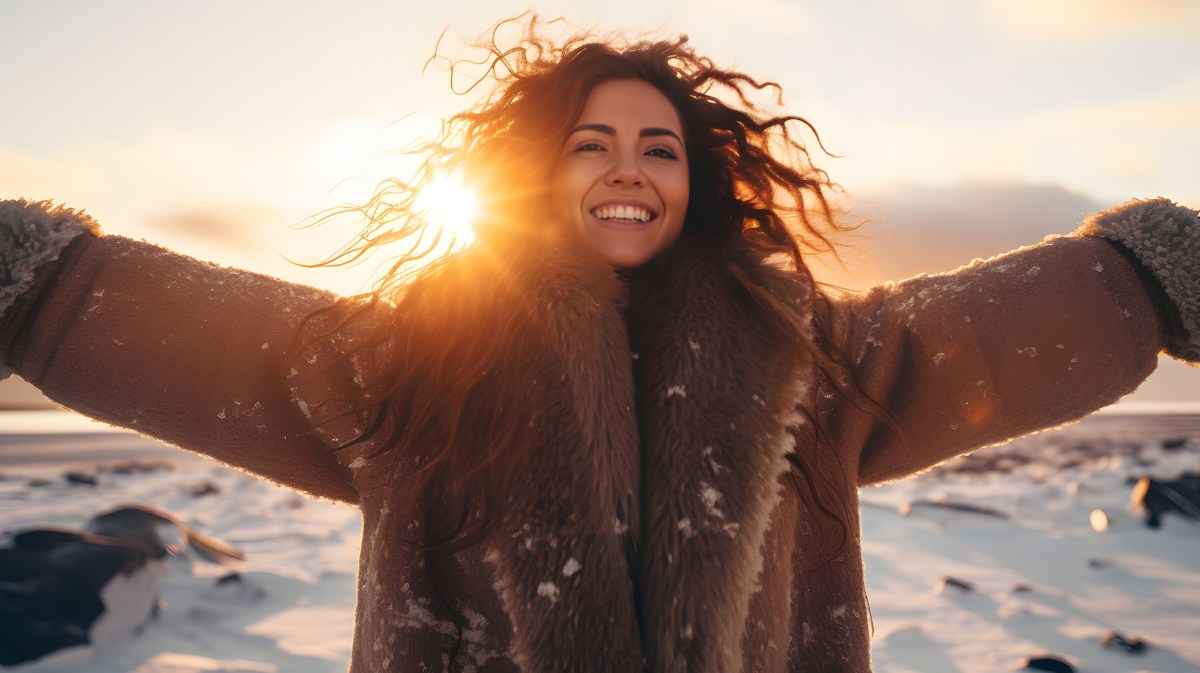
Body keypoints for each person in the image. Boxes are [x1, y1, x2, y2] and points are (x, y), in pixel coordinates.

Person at [1, 20, 1197, 673]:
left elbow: (988, 335)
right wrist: (32, 282)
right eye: (593, 143)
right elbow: (218, 341)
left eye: (661, 148)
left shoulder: (806, 358)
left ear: (695, 185)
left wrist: (1155, 272)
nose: (629, 165)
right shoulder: (413, 361)